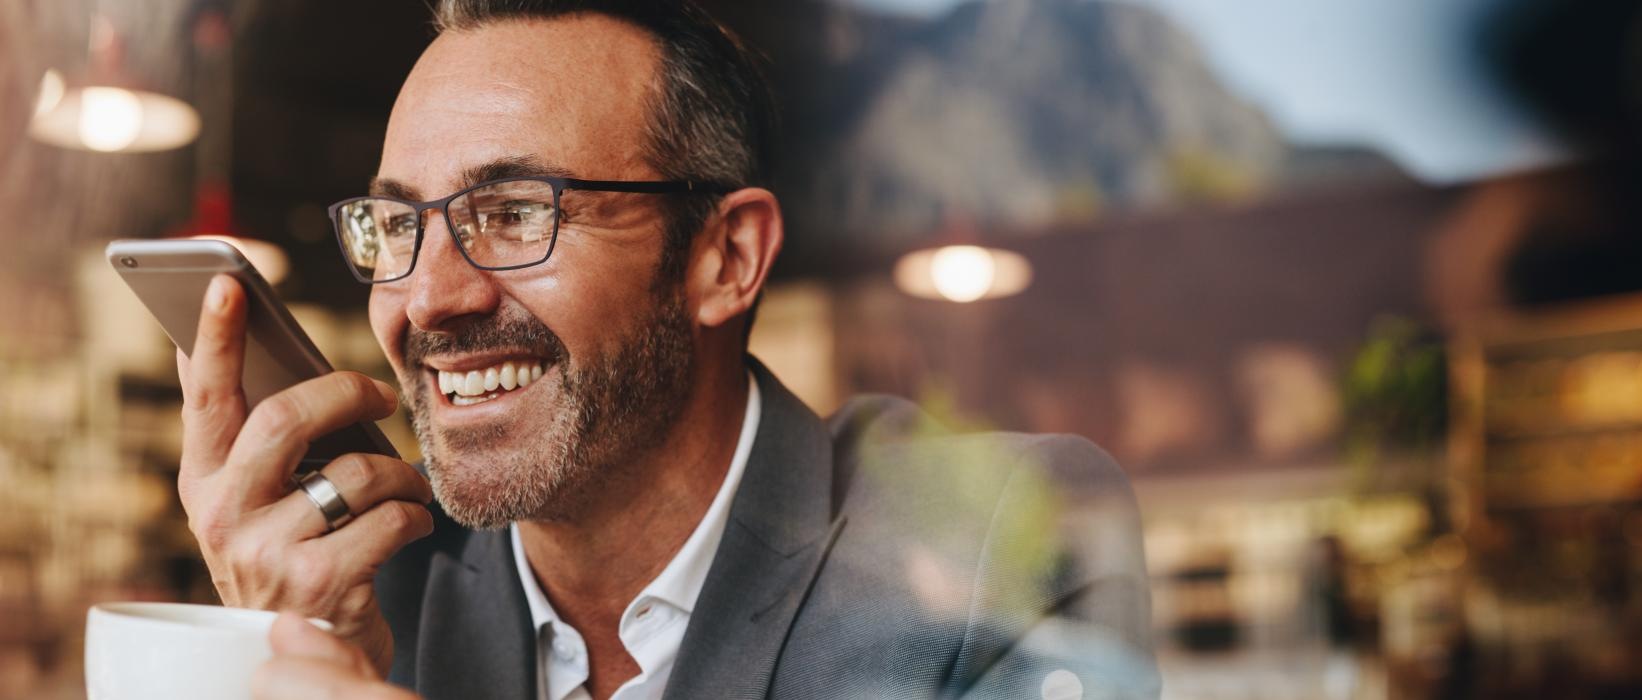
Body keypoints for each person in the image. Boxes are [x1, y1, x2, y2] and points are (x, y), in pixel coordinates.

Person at [174, 1, 1156, 697]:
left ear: (726, 258)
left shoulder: (993, 541)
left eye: (515, 213)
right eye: (396, 229)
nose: (428, 298)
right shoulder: (368, 587)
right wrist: (259, 647)